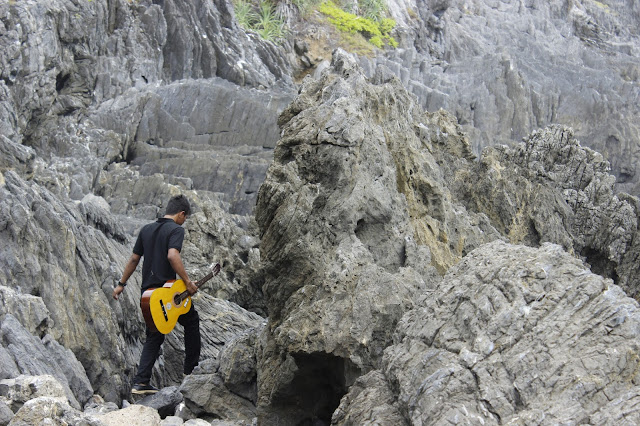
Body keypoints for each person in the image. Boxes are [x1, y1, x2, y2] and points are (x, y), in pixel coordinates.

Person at [112, 194, 200, 395]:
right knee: (192, 321)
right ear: (181, 214)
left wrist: (121, 285)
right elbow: (172, 255)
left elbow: (134, 259)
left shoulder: (146, 229)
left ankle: (141, 382)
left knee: (154, 335)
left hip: (147, 294)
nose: (183, 221)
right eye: (184, 218)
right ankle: (190, 372)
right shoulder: (176, 230)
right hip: (165, 292)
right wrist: (187, 282)